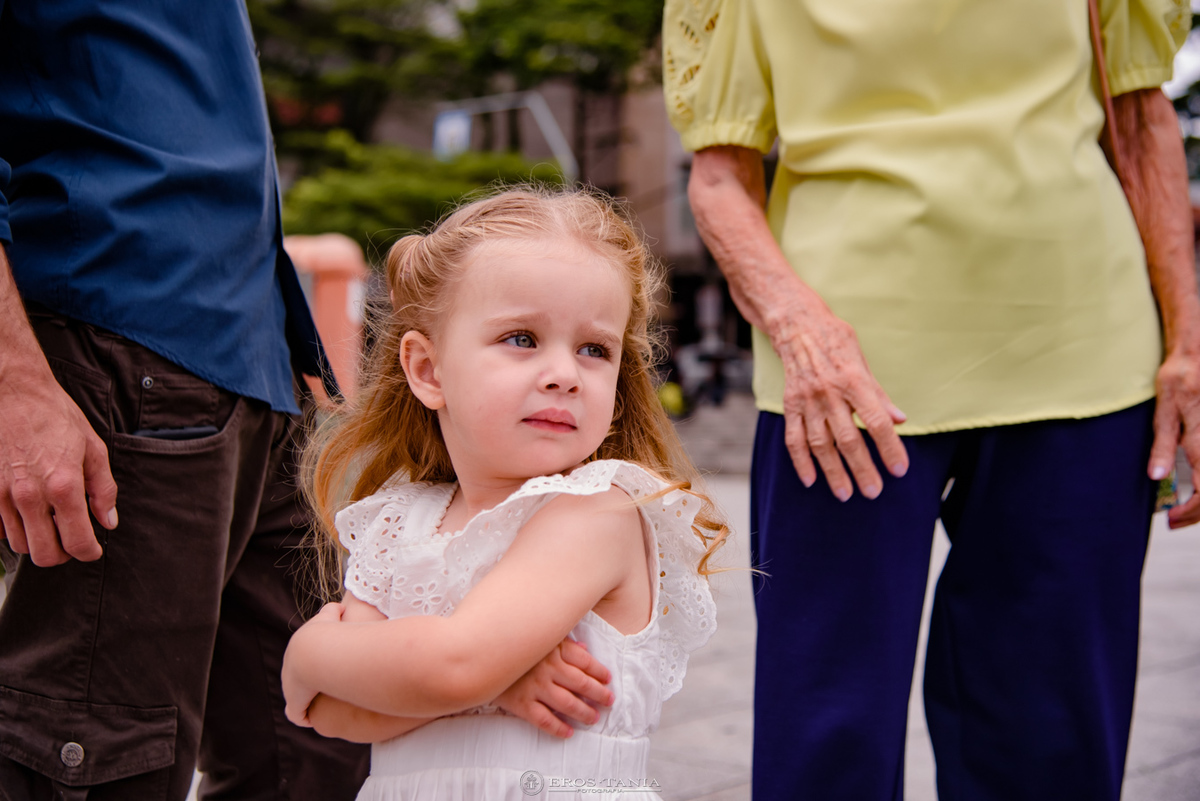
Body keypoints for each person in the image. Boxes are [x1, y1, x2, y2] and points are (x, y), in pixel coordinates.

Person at [663, 0, 1200, 799]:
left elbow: (1142, 115)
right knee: (825, 734)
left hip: (1086, 348)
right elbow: (718, 171)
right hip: (842, 379)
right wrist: (797, 323)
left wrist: (1188, 346)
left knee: (1050, 739)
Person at [0, 4, 377, 799]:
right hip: (117, 338)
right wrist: (14, 382)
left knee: (319, 743)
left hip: (254, 359)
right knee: (103, 760)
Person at [280, 187, 726, 800]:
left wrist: (307, 652)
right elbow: (336, 713)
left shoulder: (597, 509)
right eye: (521, 338)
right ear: (428, 371)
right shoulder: (399, 521)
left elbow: (456, 664)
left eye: (595, 350)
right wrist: (495, 686)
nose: (563, 374)